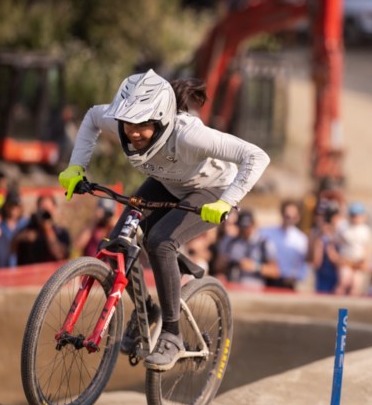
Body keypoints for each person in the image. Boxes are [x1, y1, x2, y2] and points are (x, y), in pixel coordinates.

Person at [57, 71, 270, 371]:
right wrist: (76, 167)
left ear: (161, 121)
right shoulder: (120, 123)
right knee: (118, 245)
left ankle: (173, 335)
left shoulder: (189, 134)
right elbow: (93, 116)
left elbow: (256, 156)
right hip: (166, 183)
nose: (132, 132)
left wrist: (227, 201)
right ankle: (147, 310)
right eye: (128, 122)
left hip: (212, 189)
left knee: (160, 242)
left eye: (142, 124)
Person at [220, 209, 279, 288]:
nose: (244, 230)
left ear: (254, 224)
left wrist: (254, 267)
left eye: (247, 226)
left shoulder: (264, 243)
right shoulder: (232, 243)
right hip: (234, 285)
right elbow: (220, 266)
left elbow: (275, 271)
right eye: (242, 227)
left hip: (256, 288)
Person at [258, 199, 309, 289]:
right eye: (287, 216)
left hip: (288, 283)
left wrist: (296, 277)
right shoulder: (267, 233)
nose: (290, 219)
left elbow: (303, 266)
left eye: (293, 216)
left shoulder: (302, 239)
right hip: (268, 280)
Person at [12, 194, 71, 265]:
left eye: (47, 210)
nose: (44, 213)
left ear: (54, 209)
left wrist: (48, 230)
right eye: (42, 209)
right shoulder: (28, 228)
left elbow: (60, 255)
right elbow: (11, 251)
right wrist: (22, 237)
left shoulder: (61, 233)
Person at [335, 201, 372, 295]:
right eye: (353, 215)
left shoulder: (365, 230)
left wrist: (365, 261)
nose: (356, 218)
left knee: (356, 285)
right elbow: (336, 244)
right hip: (346, 260)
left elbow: (366, 247)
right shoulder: (343, 227)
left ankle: (350, 308)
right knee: (344, 281)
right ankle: (337, 306)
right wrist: (338, 258)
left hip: (358, 262)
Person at [311, 207, 343, 294]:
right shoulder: (319, 236)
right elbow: (316, 262)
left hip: (340, 281)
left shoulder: (344, 234)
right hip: (324, 280)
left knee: (342, 307)